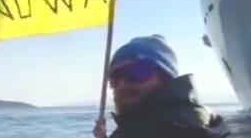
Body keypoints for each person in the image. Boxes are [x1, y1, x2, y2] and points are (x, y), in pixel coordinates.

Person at [93, 35, 230, 138]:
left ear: (166, 77)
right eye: (115, 76)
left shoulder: (162, 129)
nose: (122, 84)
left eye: (137, 72)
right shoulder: (204, 118)